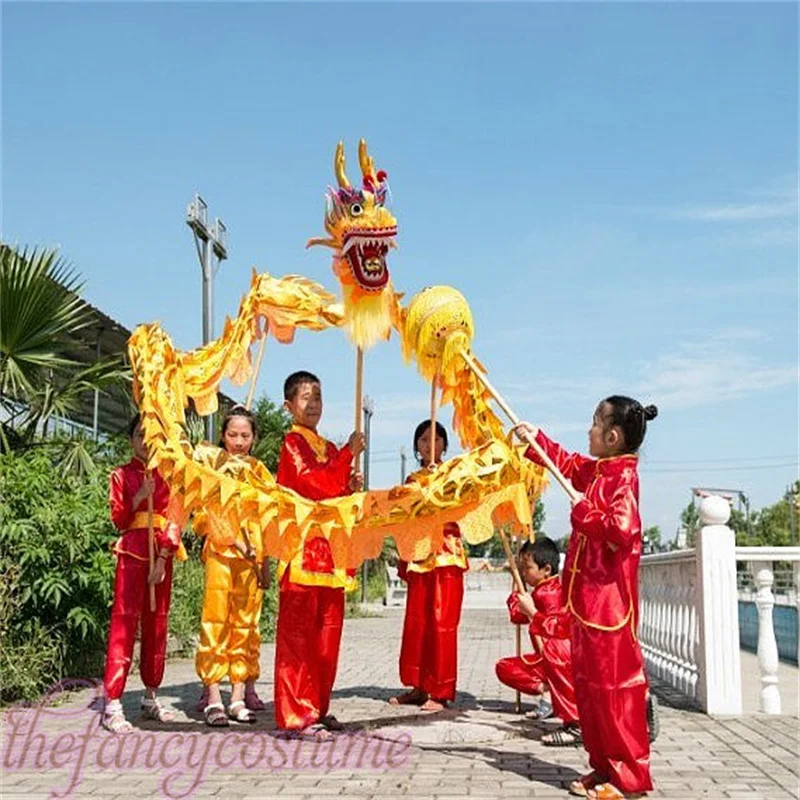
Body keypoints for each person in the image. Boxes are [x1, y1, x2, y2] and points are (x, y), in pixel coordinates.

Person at [515, 396, 658, 800]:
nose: (589, 429)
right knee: (591, 694)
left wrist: (585, 514)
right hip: (587, 606)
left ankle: (629, 779)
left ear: (613, 436)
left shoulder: (624, 479)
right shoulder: (599, 471)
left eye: (595, 423)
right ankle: (602, 766)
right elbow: (571, 465)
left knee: (615, 694)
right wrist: (536, 440)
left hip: (609, 611)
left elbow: (622, 529)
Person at [274, 370, 364, 738]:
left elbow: (333, 490)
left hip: (331, 556)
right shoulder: (291, 444)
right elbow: (313, 483)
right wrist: (347, 455)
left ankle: (317, 705)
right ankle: (295, 715)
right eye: (306, 397)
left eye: (319, 396)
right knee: (298, 639)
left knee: (327, 640)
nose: (314, 404)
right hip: (300, 554)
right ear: (289, 405)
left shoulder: (326, 446)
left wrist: (350, 484)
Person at [102, 414, 183, 733]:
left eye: (152, 436)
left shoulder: (170, 476)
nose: (146, 442)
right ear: (131, 439)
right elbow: (119, 519)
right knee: (124, 623)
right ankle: (112, 702)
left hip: (160, 556)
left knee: (158, 623)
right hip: (132, 554)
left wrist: (164, 557)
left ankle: (151, 695)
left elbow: (175, 519)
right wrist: (138, 497)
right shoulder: (121, 475)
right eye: (139, 435)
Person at [194, 405, 270, 727]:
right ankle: (213, 696)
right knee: (215, 622)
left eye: (245, 435)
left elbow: (269, 517)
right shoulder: (212, 465)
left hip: (252, 557)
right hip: (221, 552)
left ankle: (238, 696)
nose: (239, 441)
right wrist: (233, 540)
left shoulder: (260, 471)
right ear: (223, 436)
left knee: (246, 624)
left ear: (254, 438)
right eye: (233, 435)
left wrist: (264, 559)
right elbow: (206, 512)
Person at [388, 420, 468, 712]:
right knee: (418, 625)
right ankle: (419, 686)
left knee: (442, 624)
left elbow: (464, 502)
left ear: (444, 445)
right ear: (416, 446)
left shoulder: (456, 474)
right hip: (420, 557)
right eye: (423, 440)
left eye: (435, 440)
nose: (429, 445)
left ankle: (441, 690)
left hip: (446, 555)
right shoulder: (411, 480)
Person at [495, 537, 580, 745]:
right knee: (505, 667)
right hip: (553, 658)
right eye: (521, 567)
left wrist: (522, 598)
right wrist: (519, 587)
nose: (524, 572)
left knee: (550, 653)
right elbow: (518, 616)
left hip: (558, 656)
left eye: (527, 567)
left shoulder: (547, 593)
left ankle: (574, 723)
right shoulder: (548, 589)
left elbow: (550, 627)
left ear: (547, 569)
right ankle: (550, 691)